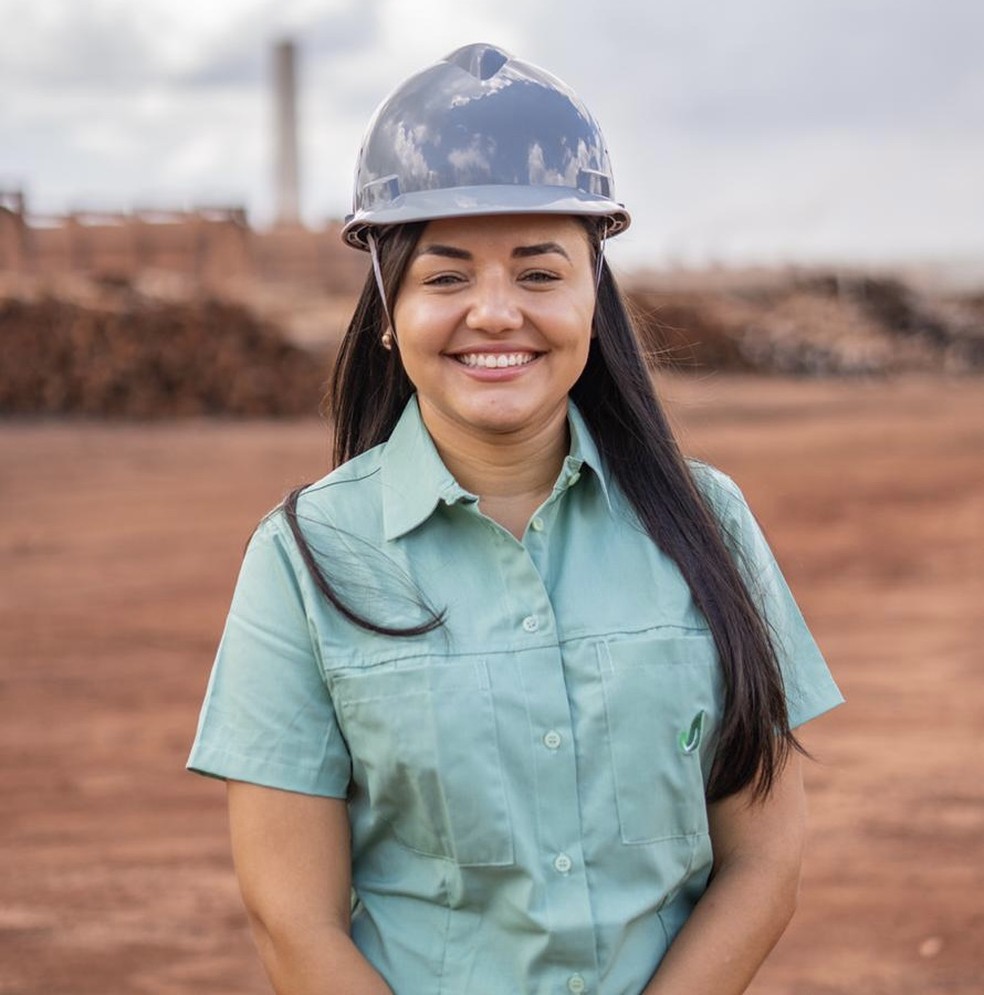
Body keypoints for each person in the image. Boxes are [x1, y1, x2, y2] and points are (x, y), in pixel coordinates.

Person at [188, 42, 843, 995]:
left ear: (593, 298)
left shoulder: (713, 526)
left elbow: (764, 863)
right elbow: (293, 918)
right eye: (445, 277)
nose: (495, 313)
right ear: (387, 308)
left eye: (540, 273)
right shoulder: (304, 558)